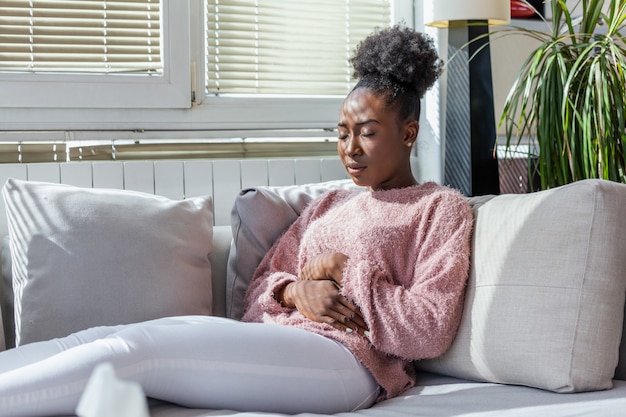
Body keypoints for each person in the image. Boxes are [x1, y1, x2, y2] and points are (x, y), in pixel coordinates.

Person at [0, 25, 473, 416]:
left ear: (408, 133)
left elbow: (430, 328)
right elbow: (259, 288)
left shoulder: (439, 209)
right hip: (282, 340)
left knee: (137, 352)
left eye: (367, 133)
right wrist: (294, 292)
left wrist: (345, 270)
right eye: (342, 133)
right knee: (109, 336)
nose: (350, 149)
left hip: (351, 365)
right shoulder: (331, 204)